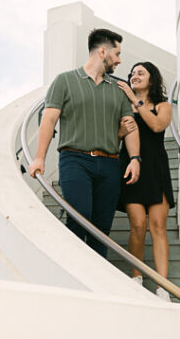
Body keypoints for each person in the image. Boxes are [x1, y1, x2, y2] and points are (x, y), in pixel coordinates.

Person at [29, 28, 141, 256]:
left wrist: (135, 158)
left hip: (110, 164)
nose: (119, 60)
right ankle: (72, 273)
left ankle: (95, 287)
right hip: (75, 161)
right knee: (79, 219)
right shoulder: (65, 81)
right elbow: (49, 120)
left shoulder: (118, 89)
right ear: (102, 51)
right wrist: (39, 157)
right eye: (117, 54)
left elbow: (130, 127)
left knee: (101, 231)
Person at [115, 62, 174, 300]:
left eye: (141, 73)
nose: (134, 76)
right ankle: (136, 278)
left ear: (152, 79)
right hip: (131, 166)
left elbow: (157, 126)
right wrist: (120, 130)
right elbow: (116, 136)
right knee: (138, 225)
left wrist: (135, 100)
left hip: (156, 169)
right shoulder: (122, 105)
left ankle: (163, 287)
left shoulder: (162, 106)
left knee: (158, 227)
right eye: (132, 73)